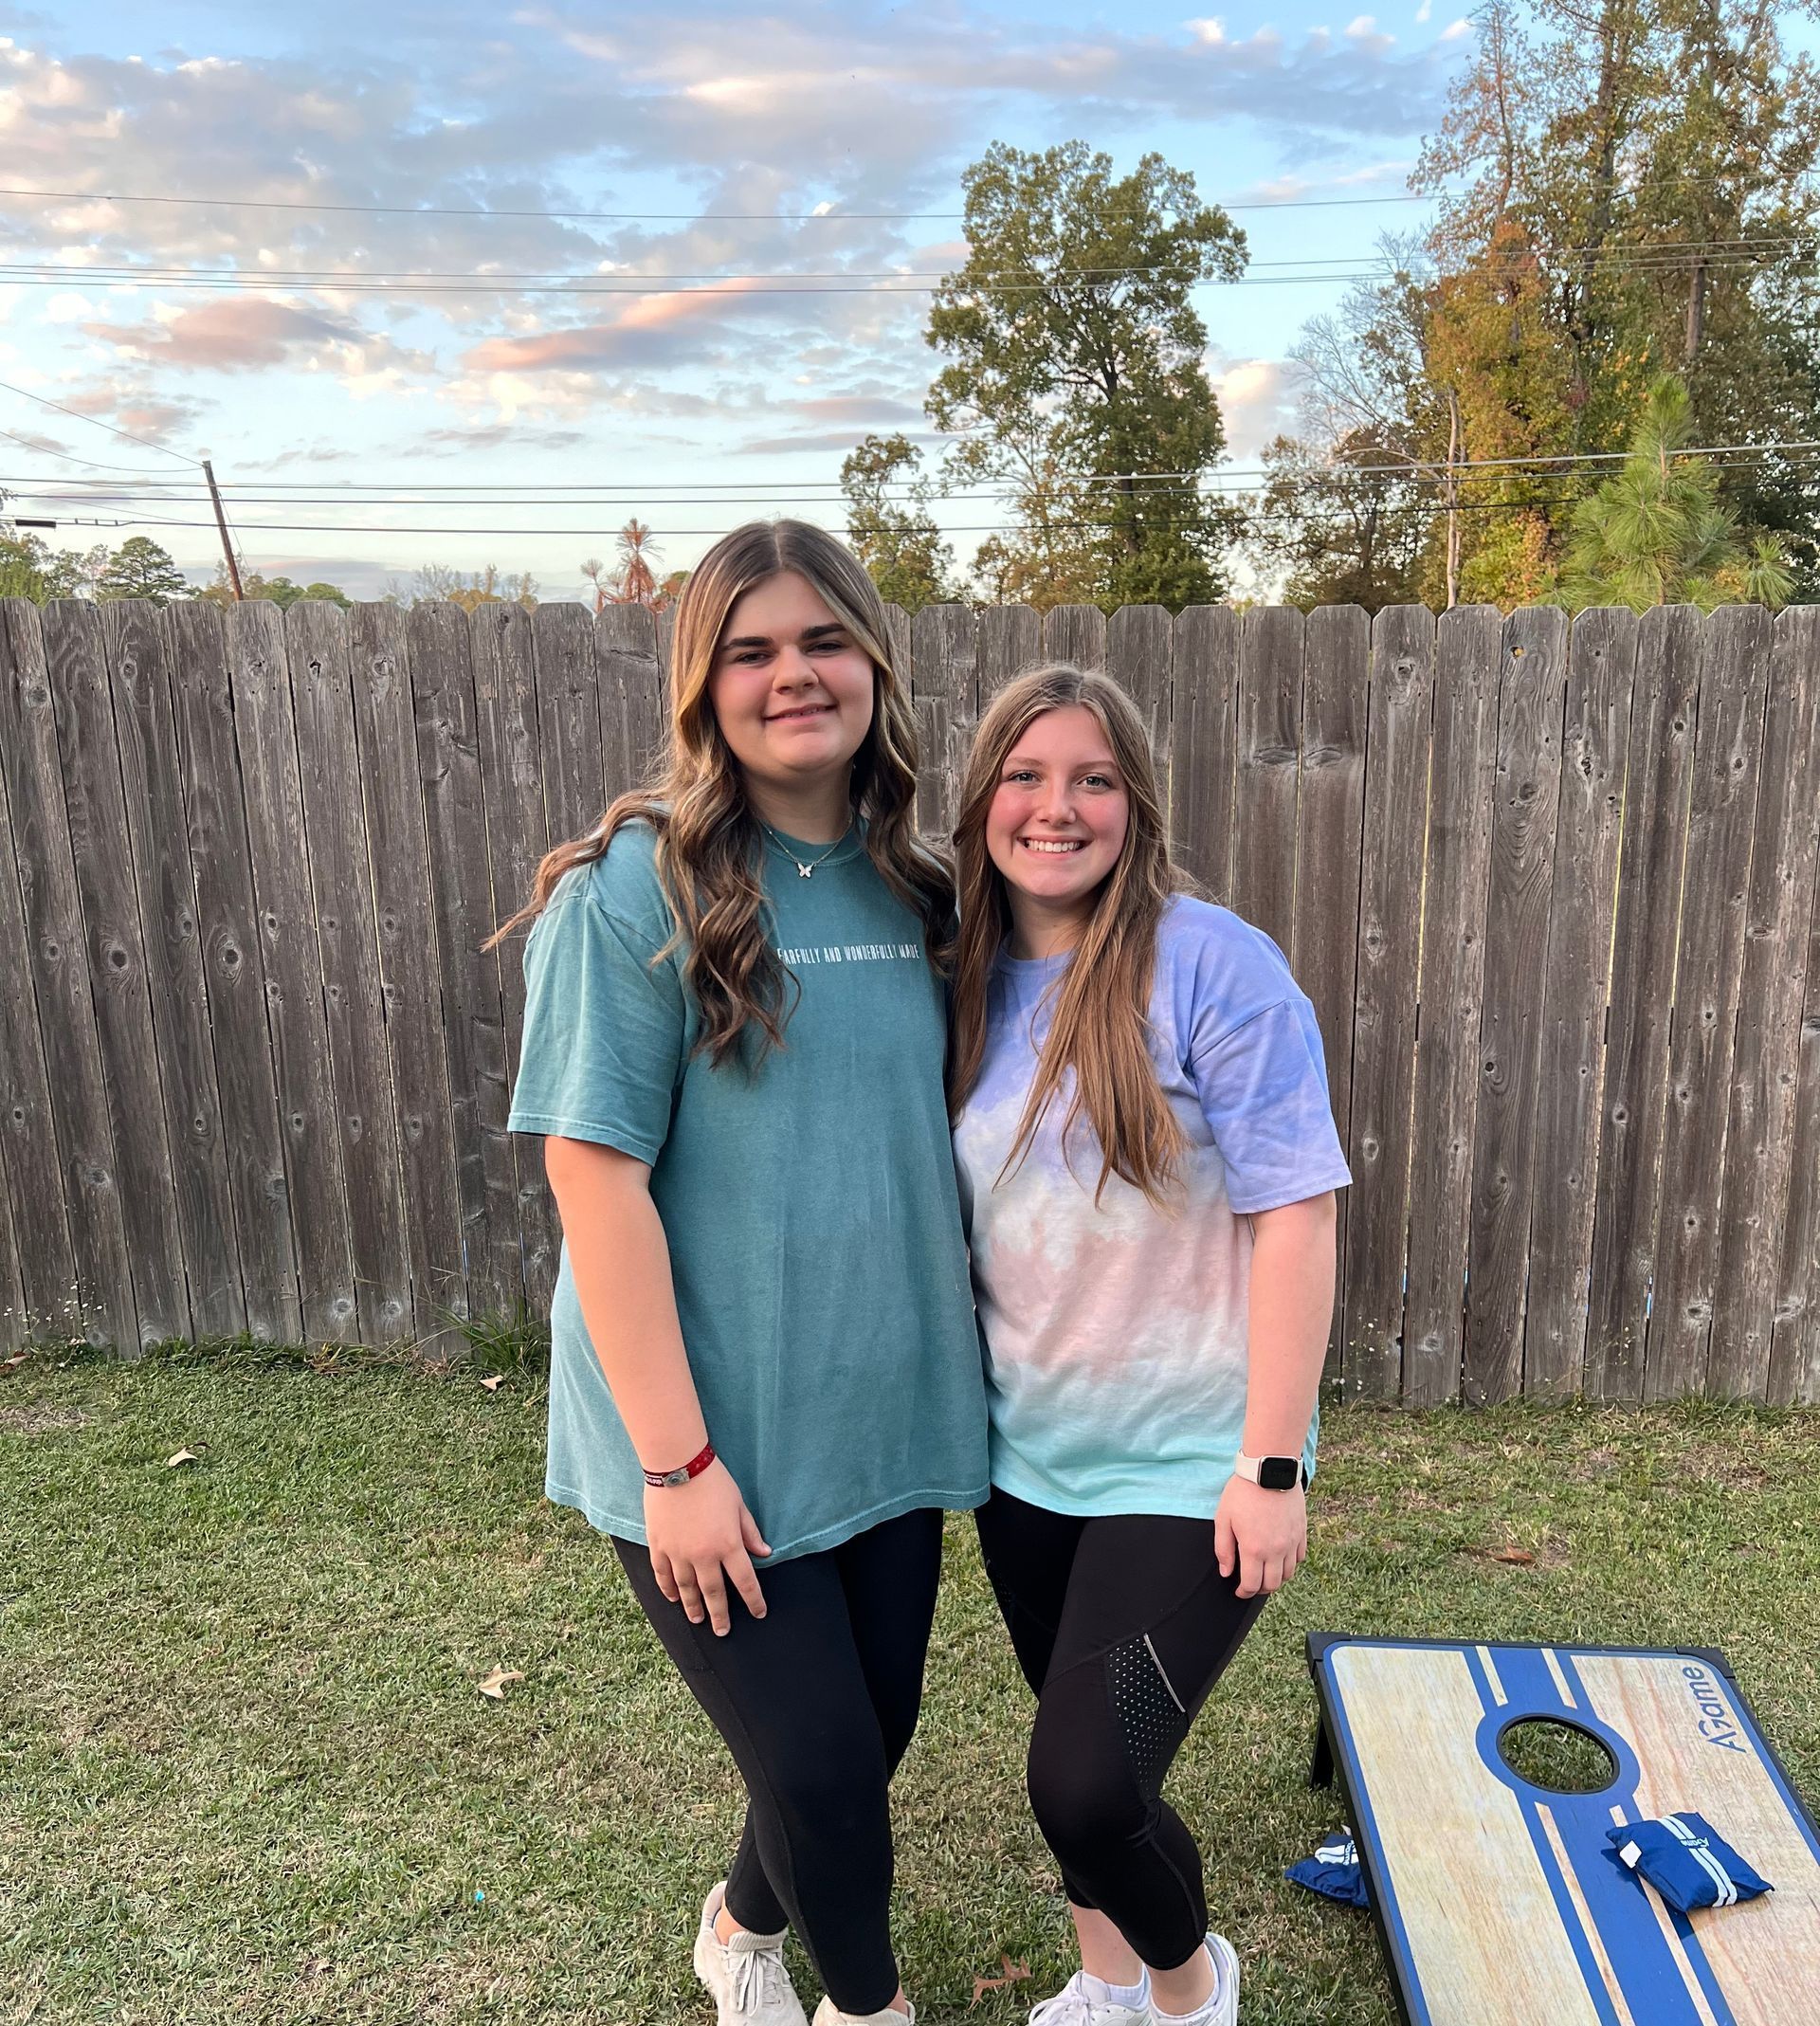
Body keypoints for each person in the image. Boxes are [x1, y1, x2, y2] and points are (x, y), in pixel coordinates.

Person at [498, 521, 989, 2026]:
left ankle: (739, 1922)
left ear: (875, 662)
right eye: (752, 648)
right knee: (830, 1768)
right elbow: (595, 1184)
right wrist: (678, 1461)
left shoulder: (920, 885)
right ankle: (866, 2007)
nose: (795, 675)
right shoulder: (633, 893)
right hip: (703, 1435)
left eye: (823, 640)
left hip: (882, 1414)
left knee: (868, 1732)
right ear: (702, 681)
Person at [947, 666, 1352, 2026]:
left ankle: (1188, 1989)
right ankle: (1103, 1982)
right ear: (983, 797)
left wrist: (1274, 1463)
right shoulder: (960, 977)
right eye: (1027, 775)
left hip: (1188, 1469)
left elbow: (1296, 1215)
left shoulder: (1212, 964)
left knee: (1087, 1779)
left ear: (1137, 803)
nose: (1057, 807)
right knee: (1088, 1770)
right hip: (1027, 1464)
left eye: (1094, 779)